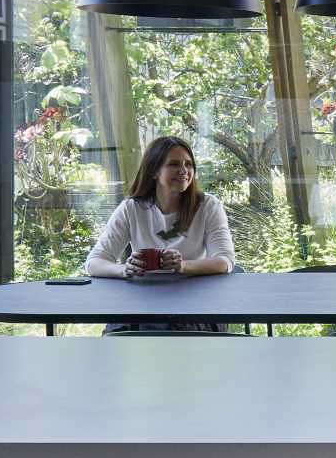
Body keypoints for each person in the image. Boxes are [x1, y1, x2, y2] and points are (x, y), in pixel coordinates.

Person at [87, 135, 236, 333]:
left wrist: (183, 266)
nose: (184, 171)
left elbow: (225, 261)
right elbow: (94, 262)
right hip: (140, 306)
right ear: (155, 171)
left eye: (189, 164)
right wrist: (124, 270)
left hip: (195, 306)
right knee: (117, 343)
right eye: (174, 164)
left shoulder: (208, 206)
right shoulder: (131, 208)